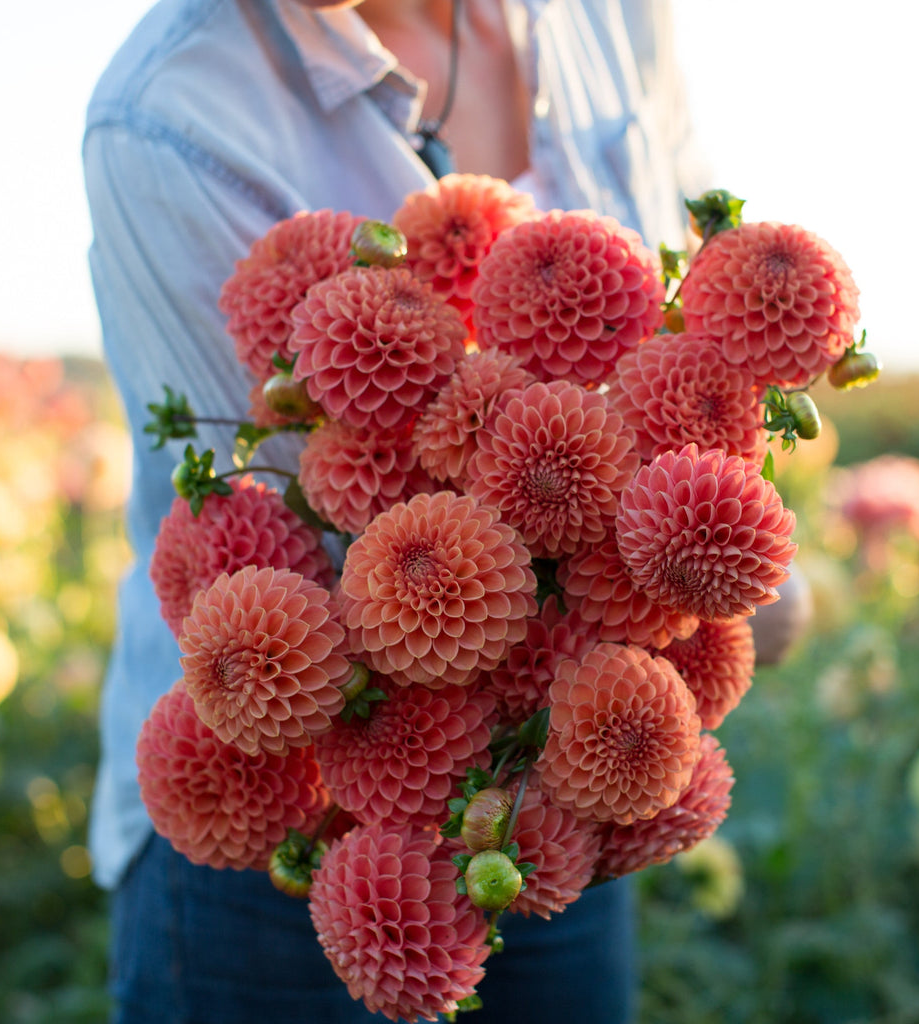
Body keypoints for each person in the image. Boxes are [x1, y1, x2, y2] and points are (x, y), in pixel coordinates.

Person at [83, 1, 711, 1021]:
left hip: (571, 789)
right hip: (283, 813)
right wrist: (673, 543)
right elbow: (320, 528)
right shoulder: (171, 114)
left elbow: (690, 300)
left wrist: (711, 524)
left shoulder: (609, 16)